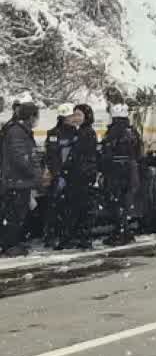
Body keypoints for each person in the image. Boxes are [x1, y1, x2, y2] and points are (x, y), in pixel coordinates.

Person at [1, 98, 42, 255]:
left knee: (15, 214)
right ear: (31, 116)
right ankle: (10, 246)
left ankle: (12, 243)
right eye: (36, 116)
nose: (36, 120)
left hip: (17, 181)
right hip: (16, 181)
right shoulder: (17, 131)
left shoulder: (18, 129)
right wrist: (36, 174)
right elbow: (21, 158)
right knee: (14, 215)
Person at [100, 103, 143, 246]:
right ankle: (126, 232)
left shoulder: (114, 132)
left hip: (117, 171)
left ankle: (120, 233)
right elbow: (139, 152)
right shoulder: (133, 131)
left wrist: (103, 168)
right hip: (131, 170)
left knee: (116, 203)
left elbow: (106, 152)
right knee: (126, 203)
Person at [57, 103, 99, 250]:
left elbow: (82, 155)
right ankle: (76, 237)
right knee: (74, 208)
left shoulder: (87, 132)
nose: (76, 117)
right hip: (76, 176)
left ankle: (84, 239)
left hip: (83, 176)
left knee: (83, 208)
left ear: (87, 116)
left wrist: (71, 168)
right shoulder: (79, 131)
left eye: (79, 115)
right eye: (74, 114)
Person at [39, 103, 79, 248]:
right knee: (54, 207)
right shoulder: (54, 134)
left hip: (72, 175)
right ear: (64, 117)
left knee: (68, 207)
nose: (74, 118)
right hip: (59, 176)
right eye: (71, 116)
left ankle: (65, 235)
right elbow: (51, 156)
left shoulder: (76, 132)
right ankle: (50, 235)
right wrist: (58, 174)